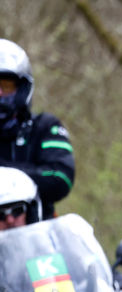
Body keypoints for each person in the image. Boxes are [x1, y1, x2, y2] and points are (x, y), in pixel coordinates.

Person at [0, 39, 74, 219]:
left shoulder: (45, 127)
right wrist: (32, 171)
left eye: (6, 86)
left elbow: (60, 179)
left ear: (22, 89)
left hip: (38, 238)